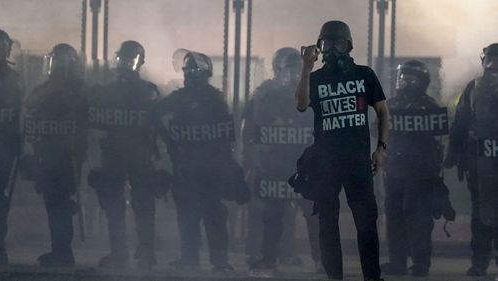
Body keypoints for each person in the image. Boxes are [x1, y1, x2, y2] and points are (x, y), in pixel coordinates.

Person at [296, 20, 389, 281]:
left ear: (348, 46)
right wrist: (305, 69)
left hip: (358, 163)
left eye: (338, 43)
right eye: (326, 43)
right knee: (327, 227)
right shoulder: (315, 78)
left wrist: (381, 149)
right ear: (319, 47)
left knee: (367, 225)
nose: (332, 49)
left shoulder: (365, 75)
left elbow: (382, 112)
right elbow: (301, 105)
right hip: (325, 165)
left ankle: (373, 277)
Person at [156, 49, 243, 272]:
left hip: (207, 169)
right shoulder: (185, 98)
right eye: (187, 70)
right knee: (189, 216)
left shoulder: (213, 101)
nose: (188, 75)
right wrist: (169, 141)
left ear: (203, 73)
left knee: (212, 215)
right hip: (189, 168)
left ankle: (217, 260)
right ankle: (193, 258)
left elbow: (225, 139)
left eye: (192, 70)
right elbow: (154, 115)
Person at [242, 47, 321, 275]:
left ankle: (321, 259)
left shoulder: (314, 96)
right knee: (273, 214)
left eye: (298, 69)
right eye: (290, 69)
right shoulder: (267, 96)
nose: (294, 74)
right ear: (279, 71)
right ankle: (269, 258)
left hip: (306, 166)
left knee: (313, 214)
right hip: (277, 166)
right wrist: (253, 161)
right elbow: (251, 131)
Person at [87, 40, 161, 269]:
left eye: (130, 59)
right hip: (125, 157)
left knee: (133, 206)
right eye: (124, 58)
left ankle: (138, 252)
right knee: (123, 206)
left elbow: (158, 128)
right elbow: (95, 127)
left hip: (129, 156)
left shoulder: (143, 91)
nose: (126, 63)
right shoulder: (146, 91)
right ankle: (130, 253)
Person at [22, 43, 87, 267]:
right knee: (53, 204)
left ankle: (63, 252)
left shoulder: (79, 90)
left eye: (60, 62)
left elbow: (84, 120)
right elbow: (30, 108)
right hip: (47, 156)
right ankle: (58, 250)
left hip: (67, 158)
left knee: (60, 204)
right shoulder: (45, 89)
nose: (56, 66)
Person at [381, 60, 445, 277]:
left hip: (421, 173)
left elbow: (439, 140)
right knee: (394, 217)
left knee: (419, 219)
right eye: (403, 77)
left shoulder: (431, 107)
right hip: (394, 171)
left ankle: (420, 263)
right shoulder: (390, 105)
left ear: (423, 81)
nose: (406, 82)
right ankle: (397, 261)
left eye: (411, 78)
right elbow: (377, 132)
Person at [445, 43, 498, 277]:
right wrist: (454, 153)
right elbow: (461, 123)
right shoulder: (473, 88)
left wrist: (454, 153)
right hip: (480, 163)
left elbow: (460, 123)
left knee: (482, 215)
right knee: (480, 216)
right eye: (491, 59)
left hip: (481, 162)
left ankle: (481, 262)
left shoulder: (473, 88)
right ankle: (480, 260)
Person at [0, 29, 22, 266]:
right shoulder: (14, 79)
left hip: (4, 149)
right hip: (5, 148)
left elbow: (22, 117)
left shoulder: (15, 80)